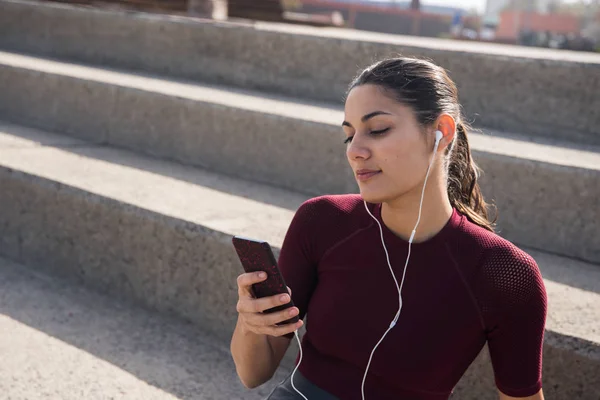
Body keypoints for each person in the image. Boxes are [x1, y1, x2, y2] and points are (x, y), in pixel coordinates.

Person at [230, 57, 548, 400]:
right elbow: (253, 374)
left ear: (442, 132)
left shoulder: (504, 272)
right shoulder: (322, 221)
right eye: (348, 135)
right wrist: (250, 324)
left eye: (377, 130)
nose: (355, 151)